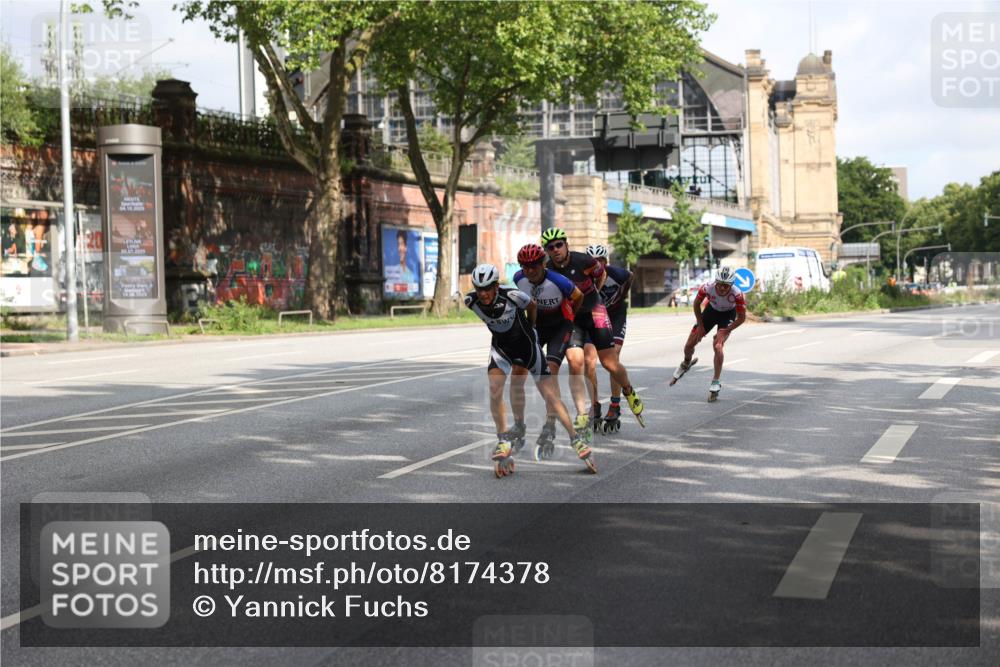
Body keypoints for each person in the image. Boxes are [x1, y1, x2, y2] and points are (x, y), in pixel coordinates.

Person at [464, 263, 596, 476]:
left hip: (528, 348)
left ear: (496, 286)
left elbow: (532, 306)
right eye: (479, 288)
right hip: (501, 349)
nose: (483, 293)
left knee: (550, 397)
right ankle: (503, 440)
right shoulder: (471, 301)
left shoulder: (513, 295)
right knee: (495, 389)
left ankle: (575, 439)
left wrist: (531, 327)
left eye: (488, 288)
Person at [540, 227, 645, 436]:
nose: (556, 249)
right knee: (576, 362)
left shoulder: (583, 261)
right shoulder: (548, 270)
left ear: (566, 244)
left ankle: (628, 390)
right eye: (550, 247)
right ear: (547, 251)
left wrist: (594, 295)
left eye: (559, 244)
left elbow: (602, 274)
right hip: (575, 320)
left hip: (596, 313)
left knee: (609, 362)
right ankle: (583, 412)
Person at [512, 243, 584, 458]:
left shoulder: (558, 280)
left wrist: (571, 316)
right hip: (535, 327)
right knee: (518, 374)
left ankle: (550, 425)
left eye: (534, 265)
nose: (530, 270)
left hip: (559, 327)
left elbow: (578, 296)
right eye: (525, 266)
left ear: (543, 263)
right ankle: (519, 426)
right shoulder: (518, 278)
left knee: (549, 373)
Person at [670, 266, 746, 402]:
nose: (722, 288)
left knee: (718, 346)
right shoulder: (707, 287)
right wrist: (700, 325)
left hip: (728, 315)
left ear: (732, 285)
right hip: (711, 311)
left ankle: (716, 381)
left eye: (726, 286)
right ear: (716, 282)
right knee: (689, 344)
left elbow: (741, 318)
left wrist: (726, 331)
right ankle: (686, 363)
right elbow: (696, 304)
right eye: (720, 285)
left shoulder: (737, 294)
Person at [582, 244, 633, 433]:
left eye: (601, 261)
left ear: (606, 261)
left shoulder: (618, 274)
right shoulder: (582, 277)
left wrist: (622, 296)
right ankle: (594, 404)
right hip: (594, 317)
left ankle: (615, 404)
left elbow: (630, 278)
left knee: (613, 359)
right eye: (593, 261)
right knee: (588, 360)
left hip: (615, 315)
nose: (597, 264)